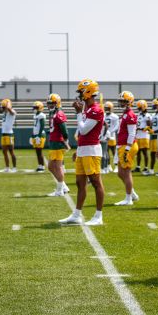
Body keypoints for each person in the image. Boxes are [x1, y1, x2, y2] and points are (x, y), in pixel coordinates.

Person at [58, 79, 107, 226]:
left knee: (96, 182)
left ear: (88, 92)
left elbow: (84, 129)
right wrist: (78, 150)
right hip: (83, 150)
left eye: (81, 92)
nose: (79, 95)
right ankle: (77, 214)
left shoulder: (96, 110)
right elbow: (82, 132)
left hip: (91, 151)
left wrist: (78, 113)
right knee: (80, 183)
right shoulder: (87, 109)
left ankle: (98, 216)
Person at [112, 92, 140, 205]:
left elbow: (132, 133)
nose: (122, 103)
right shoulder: (125, 114)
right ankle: (132, 193)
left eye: (124, 101)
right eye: (121, 101)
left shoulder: (130, 115)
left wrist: (127, 148)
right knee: (120, 173)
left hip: (127, 146)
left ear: (129, 102)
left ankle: (128, 199)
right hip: (123, 145)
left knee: (126, 172)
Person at [44, 93, 73, 196]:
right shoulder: (53, 113)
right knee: (51, 166)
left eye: (52, 103)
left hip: (58, 143)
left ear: (57, 103)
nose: (50, 105)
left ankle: (60, 190)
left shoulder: (59, 113)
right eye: (49, 103)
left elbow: (64, 130)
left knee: (58, 166)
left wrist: (65, 141)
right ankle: (63, 186)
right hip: (53, 142)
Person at [0, 98, 17, 172]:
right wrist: (1, 104)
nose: (3, 108)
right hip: (3, 134)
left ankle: (14, 168)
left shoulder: (12, 111)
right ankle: (7, 168)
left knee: (11, 152)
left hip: (9, 134)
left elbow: (9, 109)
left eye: (4, 107)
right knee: (4, 152)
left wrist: (7, 102)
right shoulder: (4, 112)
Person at [134, 100, 152, 176]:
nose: (139, 109)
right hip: (138, 135)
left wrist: (141, 129)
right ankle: (138, 167)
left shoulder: (148, 115)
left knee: (144, 152)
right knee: (138, 152)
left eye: (140, 107)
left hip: (144, 136)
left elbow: (150, 126)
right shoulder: (139, 115)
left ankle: (146, 167)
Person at [29, 101, 48, 172]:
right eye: (34, 107)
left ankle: (42, 166)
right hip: (35, 135)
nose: (34, 109)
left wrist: (39, 136)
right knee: (37, 151)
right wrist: (32, 136)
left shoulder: (42, 115)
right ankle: (39, 165)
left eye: (36, 107)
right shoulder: (35, 115)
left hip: (40, 135)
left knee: (39, 151)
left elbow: (42, 126)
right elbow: (35, 127)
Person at [103, 101, 120, 173]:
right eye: (105, 107)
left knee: (114, 152)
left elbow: (117, 126)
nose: (106, 109)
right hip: (105, 135)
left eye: (108, 107)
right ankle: (109, 165)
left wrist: (110, 132)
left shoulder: (115, 116)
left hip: (112, 136)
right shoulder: (103, 115)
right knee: (106, 151)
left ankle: (116, 166)